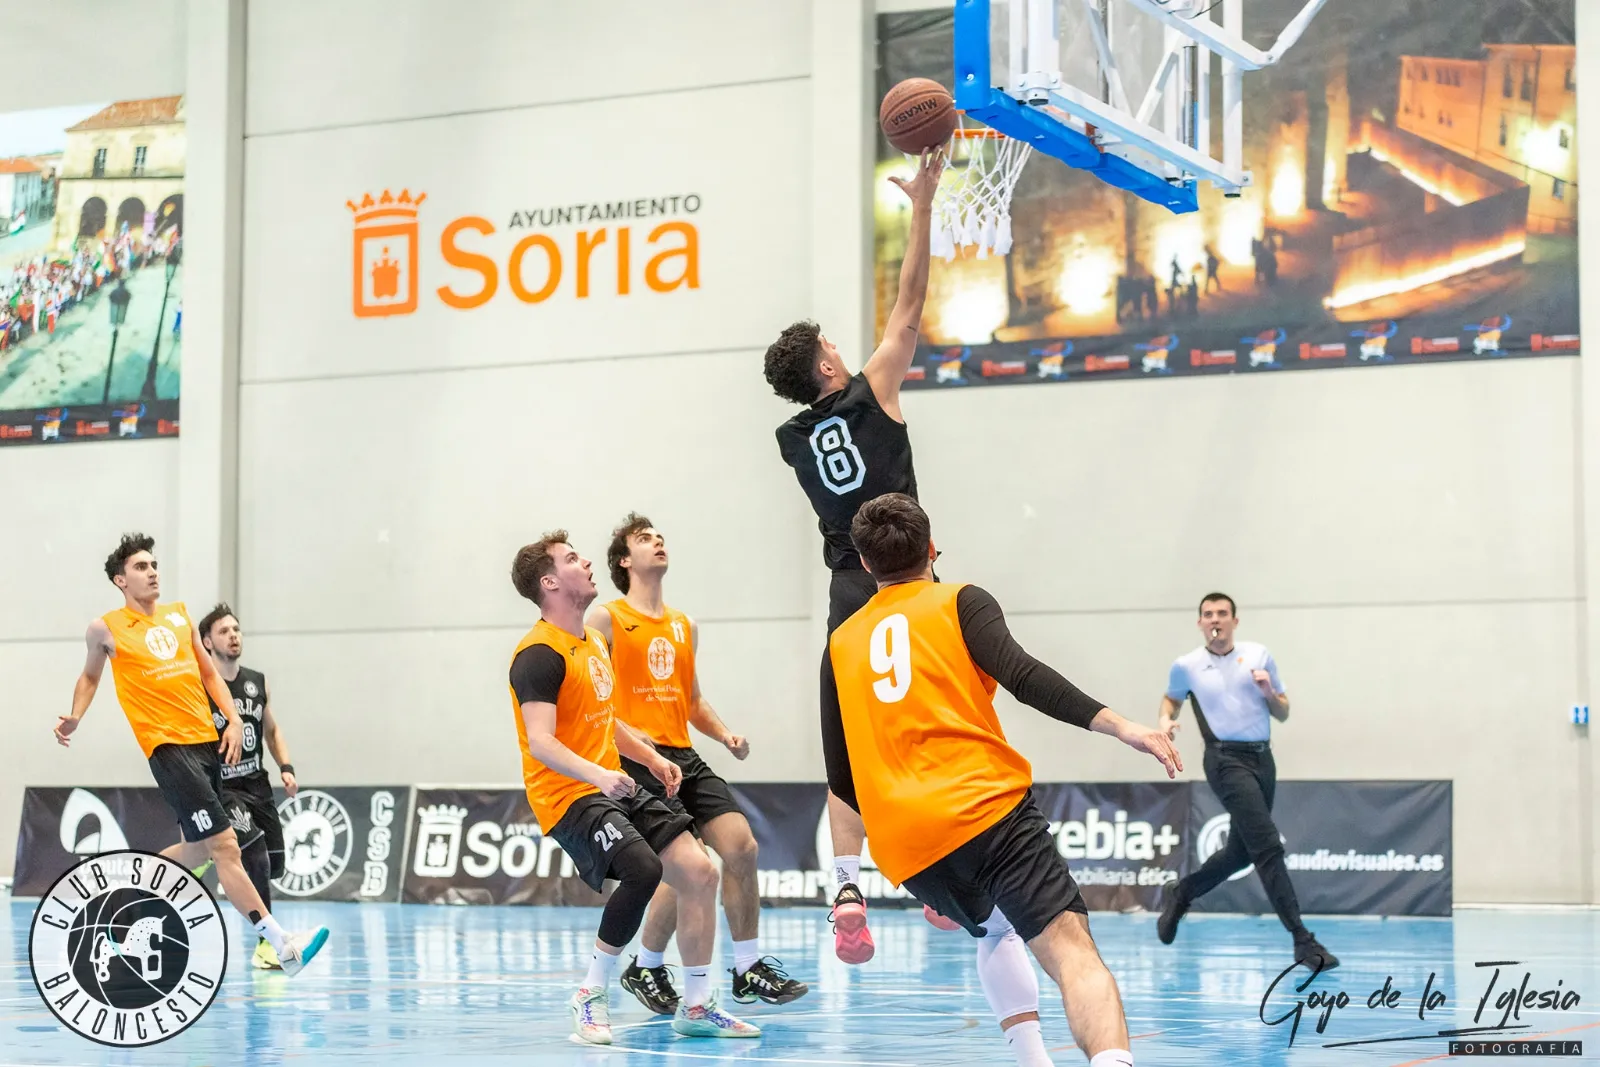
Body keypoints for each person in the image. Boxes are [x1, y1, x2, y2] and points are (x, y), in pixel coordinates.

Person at [821, 493, 1179, 1067]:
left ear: (864, 564)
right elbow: (1022, 675)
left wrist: (850, 878)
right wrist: (1119, 725)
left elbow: (840, 775)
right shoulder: (958, 600)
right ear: (932, 549)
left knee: (994, 932)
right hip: (984, 808)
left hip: (906, 845)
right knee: (1071, 951)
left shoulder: (840, 644)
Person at [764, 146, 944, 964]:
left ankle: (846, 887)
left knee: (846, 745)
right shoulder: (874, 392)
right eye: (834, 344)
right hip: (908, 584)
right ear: (829, 364)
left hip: (846, 593)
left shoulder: (793, 437)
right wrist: (923, 202)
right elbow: (911, 303)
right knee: (928, 729)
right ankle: (939, 876)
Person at [508, 532, 760, 1044]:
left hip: (611, 783)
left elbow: (606, 718)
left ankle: (696, 1004)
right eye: (572, 558)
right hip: (568, 796)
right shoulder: (537, 654)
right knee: (643, 868)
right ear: (550, 583)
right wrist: (599, 775)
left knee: (699, 871)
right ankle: (591, 992)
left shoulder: (593, 642)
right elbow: (540, 741)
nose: (586, 562)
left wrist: (652, 758)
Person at [54, 533, 328, 976]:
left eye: (154, 565)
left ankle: (123, 906)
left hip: (205, 745)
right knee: (225, 846)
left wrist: (233, 719)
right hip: (168, 748)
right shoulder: (106, 628)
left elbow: (209, 675)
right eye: (141, 567)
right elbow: (90, 677)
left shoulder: (179, 617)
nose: (152, 572)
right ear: (121, 580)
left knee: (197, 851)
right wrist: (75, 716)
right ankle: (281, 945)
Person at [588, 514, 810, 1013]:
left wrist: (725, 733)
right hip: (639, 760)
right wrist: (626, 735)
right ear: (624, 561)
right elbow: (589, 693)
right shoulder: (605, 619)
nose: (657, 542)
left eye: (659, 536)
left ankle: (747, 967)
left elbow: (691, 701)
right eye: (644, 539)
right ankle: (647, 965)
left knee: (741, 847)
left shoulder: (684, 625)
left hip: (684, 755)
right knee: (691, 868)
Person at [1152, 593, 1338, 969]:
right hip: (1224, 760)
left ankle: (1182, 892)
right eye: (1208, 614)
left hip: (1262, 759)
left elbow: (1282, 711)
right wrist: (1165, 721)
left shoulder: (1258, 655)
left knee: (1240, 853)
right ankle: (1303, 940)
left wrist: (1269, 691)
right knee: (1267, 845)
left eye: (1222, 613)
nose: (1215, 619)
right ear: (1200, 623)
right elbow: (1171, 700)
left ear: (1234, 621)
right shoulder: (1187, 665)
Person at [196, 603, 300, 971]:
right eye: (224, 631)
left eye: (236, 629)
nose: (233, 636)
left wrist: (285, 767)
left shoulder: (257, 681)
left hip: (258, 785)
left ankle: (206, 855)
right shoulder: (201, 686)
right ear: (207, 642)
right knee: (253, 851)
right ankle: (267, 945)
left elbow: (272, 730)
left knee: (272, 865)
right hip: (223, 788)